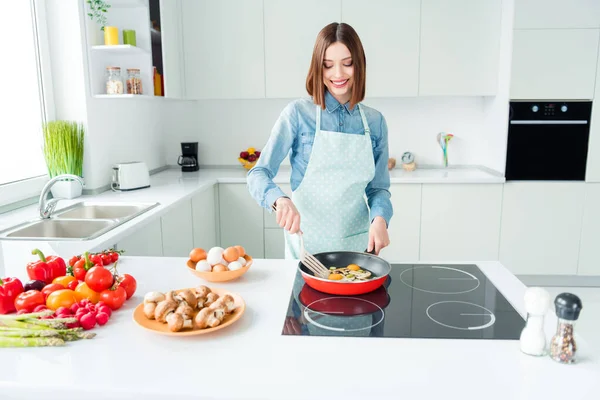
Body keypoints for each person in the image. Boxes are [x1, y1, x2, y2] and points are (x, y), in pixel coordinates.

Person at [247, 22, 393, 259]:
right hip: (306, 249)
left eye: (347, 64)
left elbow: (378, 189)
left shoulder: (374, 122)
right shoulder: (297, 114)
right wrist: (280, 201)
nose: (338, 74)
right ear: (318, 67)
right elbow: (258, 173)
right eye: (328, 66)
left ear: (359, 65)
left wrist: (380, 219)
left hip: (358, 250)